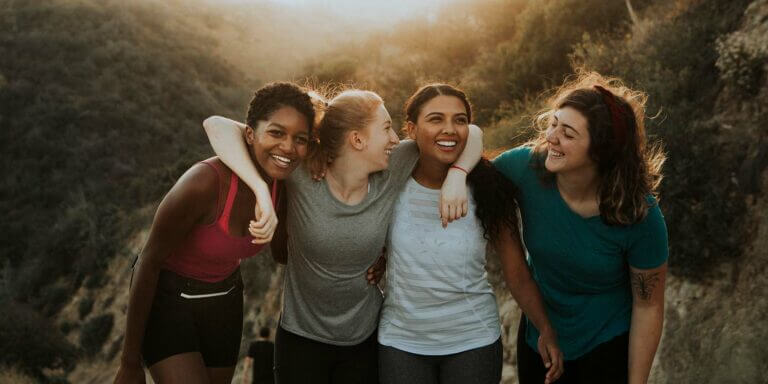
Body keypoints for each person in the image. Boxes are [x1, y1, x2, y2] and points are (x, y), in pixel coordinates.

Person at [203, 88, 483, 384]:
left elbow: (473, 132)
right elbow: (217, 125)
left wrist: (458, 173)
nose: (394, 139)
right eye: (386, 128)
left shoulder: (394, 166)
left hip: (364, 340)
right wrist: (260, 189)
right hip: (301, 339)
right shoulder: (303, 170)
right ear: (357, 139)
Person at [113, 82, 316, 384]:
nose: (288, 147)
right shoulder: (205, 183)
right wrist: (130, 362)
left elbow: (282, 253)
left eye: (300, 139)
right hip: (170, 300)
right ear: (249, 133)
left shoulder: (283, 185)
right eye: (276, 133)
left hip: (224, 302)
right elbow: (148, 260)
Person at [377, 83, 563, 384]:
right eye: (435, 119)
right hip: (401, 341)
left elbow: (516, 272)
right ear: (411, 128)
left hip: (472, 340)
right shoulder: (390, 177)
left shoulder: (489, 187)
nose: (449, 129)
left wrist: (546, 329)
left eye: (459, 120)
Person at [493, 72, 668, 383]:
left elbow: (648, 305)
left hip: (606, 343)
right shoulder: (525, 167)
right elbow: (470, 156)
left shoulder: (639, 213)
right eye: (553, 123)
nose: (551, 137)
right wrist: (456, 175)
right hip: (540, 337)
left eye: (568, 134)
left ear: (599, 151)